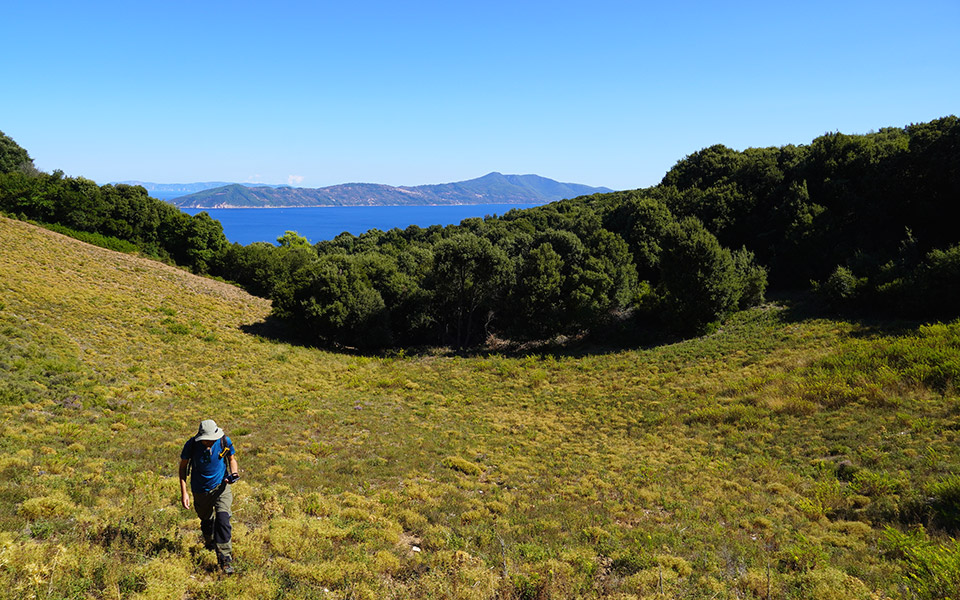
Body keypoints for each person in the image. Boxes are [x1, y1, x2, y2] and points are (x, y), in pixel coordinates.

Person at [179, 419, 240, 574]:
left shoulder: (224, 441)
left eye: (211, 440)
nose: (209, 442)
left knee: (223, 519)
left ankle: (225, 560)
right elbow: (183, 468)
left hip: (221, 487)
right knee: (206, 520)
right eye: (206, 440)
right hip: (200, 490)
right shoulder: (191, 445)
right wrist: (184, 492)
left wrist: (234, 474)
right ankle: (209, 540)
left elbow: (231, 460)